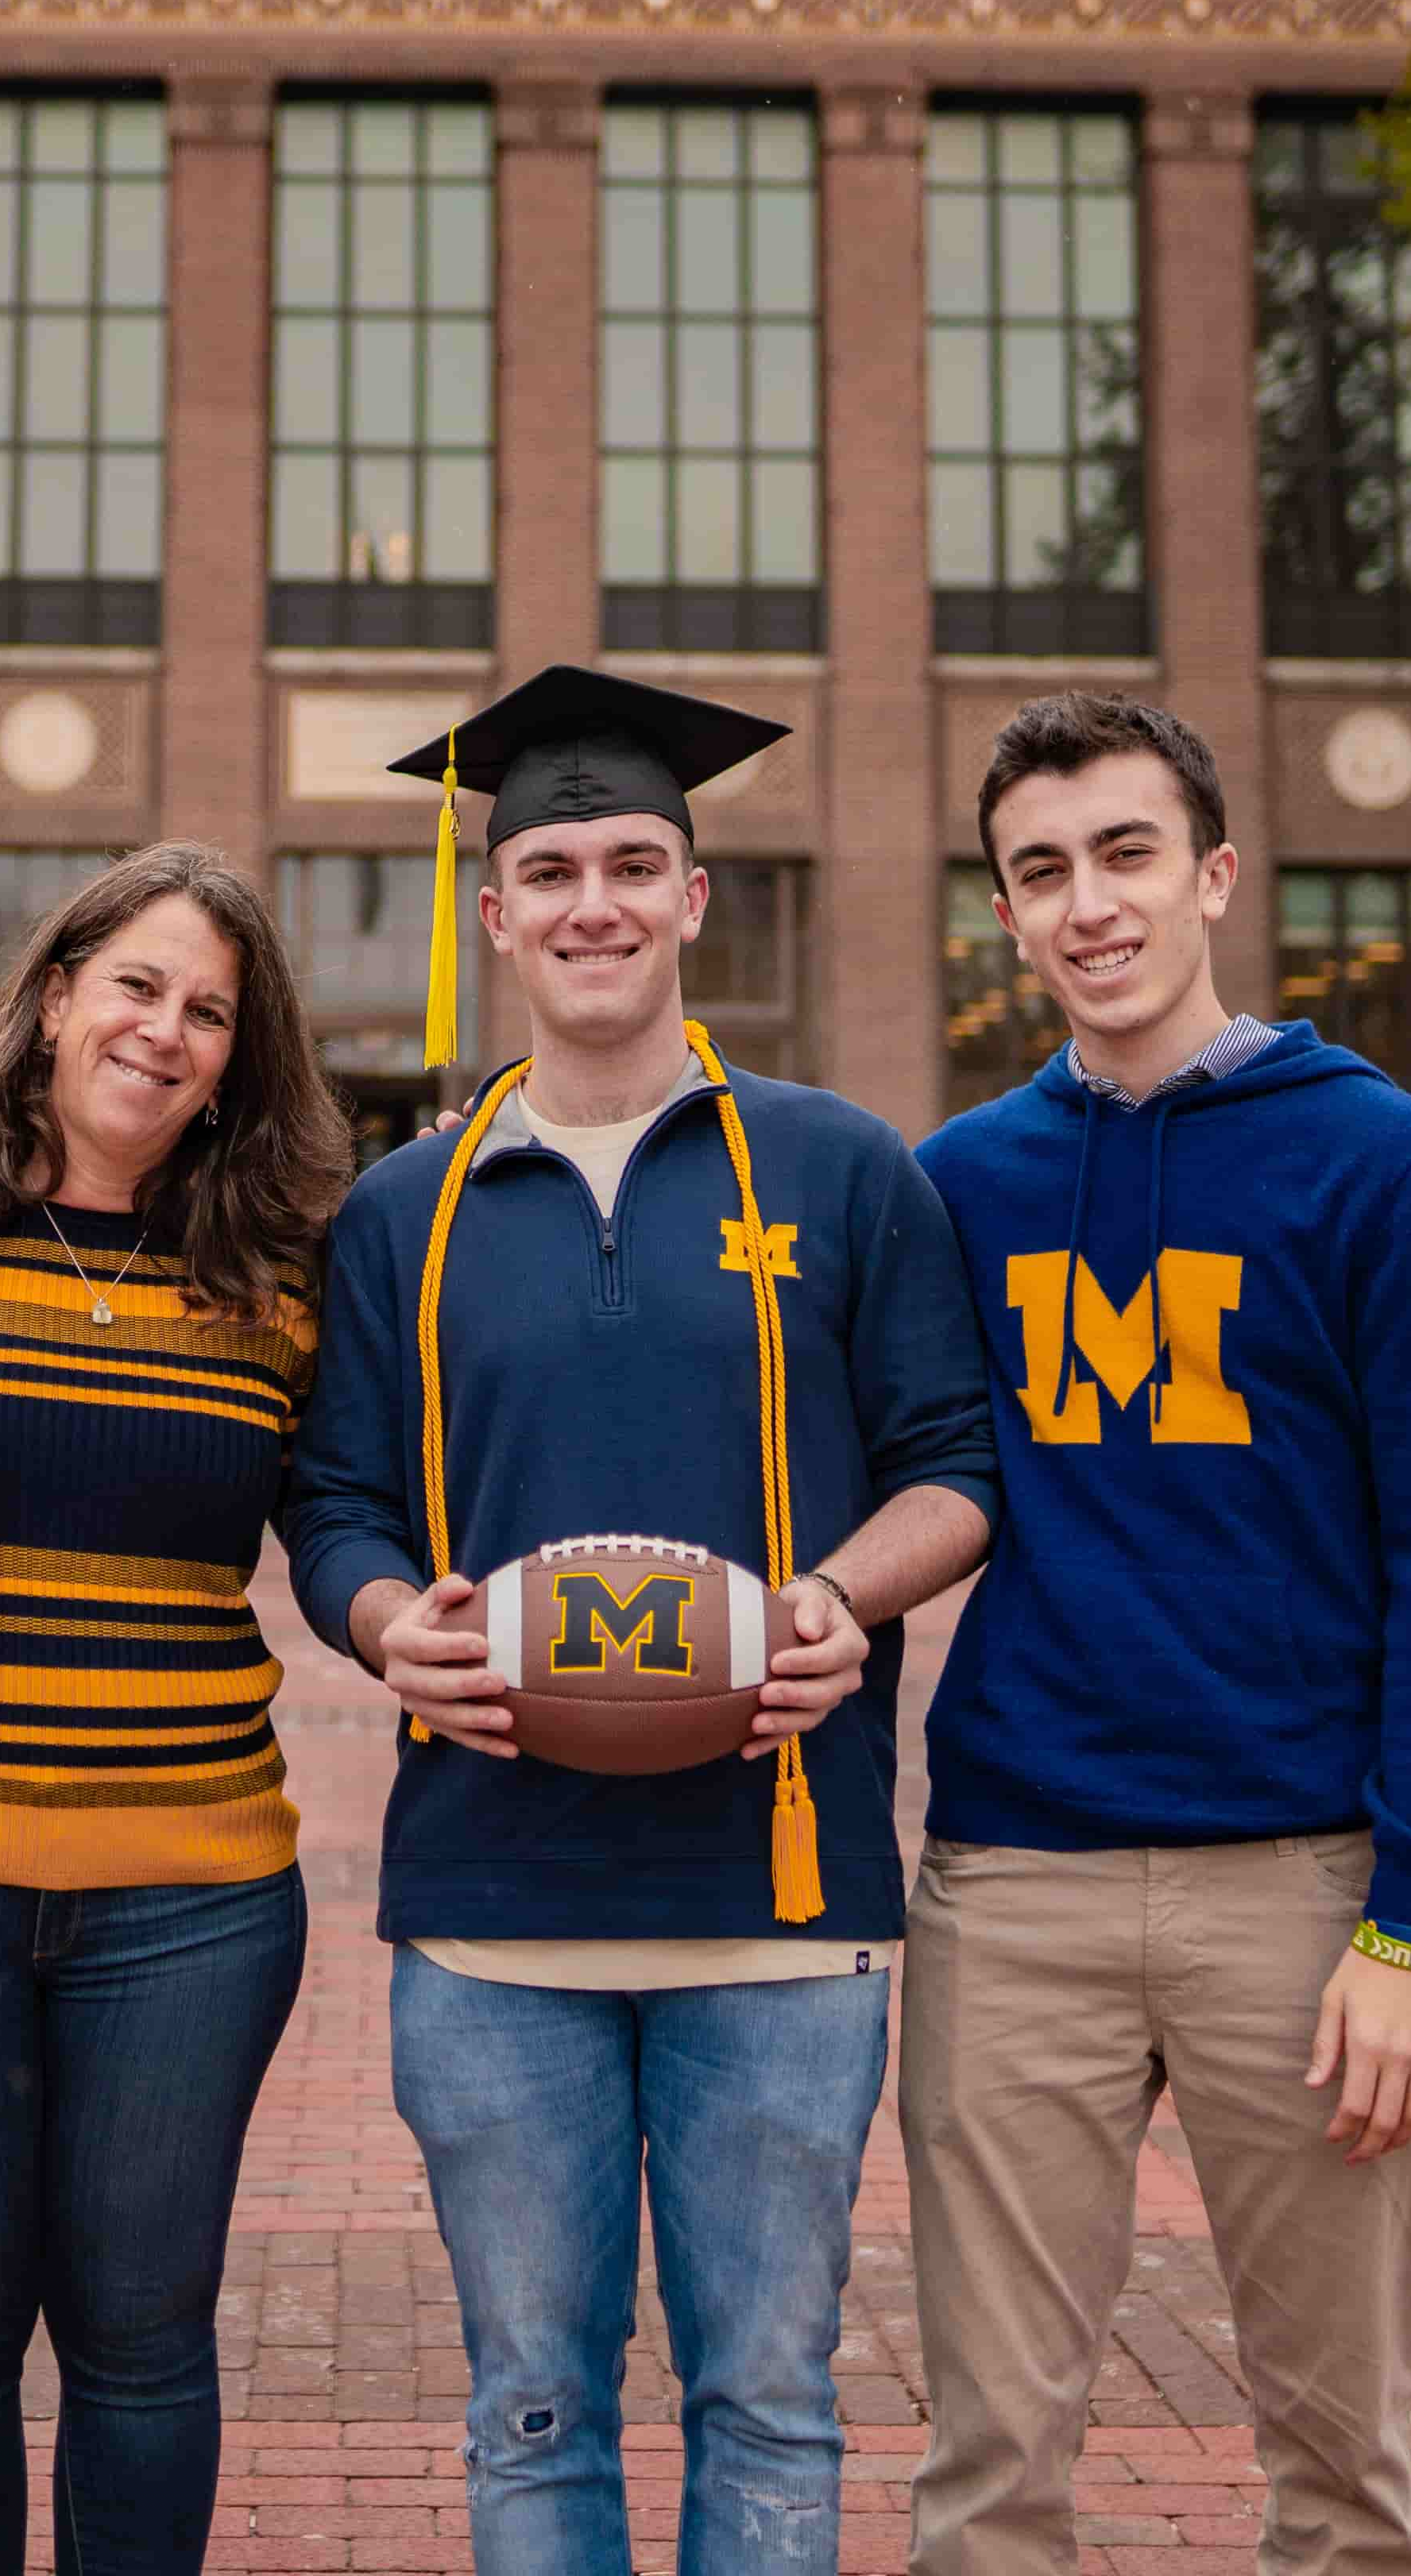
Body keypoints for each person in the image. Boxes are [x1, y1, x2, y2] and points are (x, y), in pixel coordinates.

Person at [280, 666, 1004, 2576]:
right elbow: (333, 1495)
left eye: (631, 861)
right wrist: (379, 1619)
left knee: (768, 2393)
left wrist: (843, 1599)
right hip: (492, 1910)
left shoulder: (843, 1168)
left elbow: (958, 1460)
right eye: (548, 865)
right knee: (532, 2400)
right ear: (493, 907)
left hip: (783, 1900)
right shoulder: (404, 1210)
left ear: (694, 895)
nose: (591, 899)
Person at [900, 691, 1411, 2576]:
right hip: (1015, 1884)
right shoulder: (961, 1186)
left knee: (1345, 2474)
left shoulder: (1383, 1162)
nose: (1087, 902)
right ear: (1003, 912)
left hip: (1305, 1890)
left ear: (1213, 873)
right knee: (989, 2462)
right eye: (1041, 869)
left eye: (1124, 852)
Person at [0, 844, 357, 2576]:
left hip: (187, 1895)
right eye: (137, 985)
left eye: (210, 1013)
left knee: (143, 2343)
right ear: (52, 998)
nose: (166, 1031)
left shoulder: (277, 1287)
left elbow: (339, 1521)